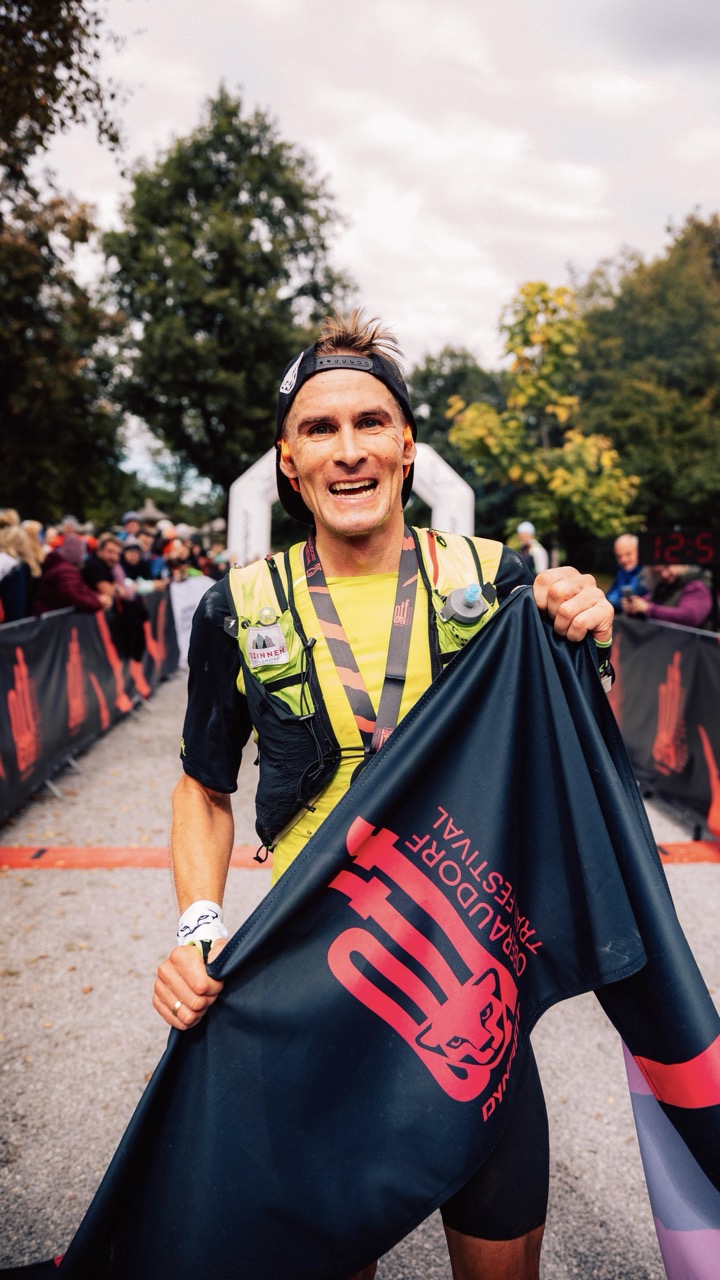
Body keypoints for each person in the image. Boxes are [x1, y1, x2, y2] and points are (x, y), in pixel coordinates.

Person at [153, 310, 613, 1280]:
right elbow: (203, 787)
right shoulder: (240, 606)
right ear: (288, 462)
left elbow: (580, 748)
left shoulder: (496, 580)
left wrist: (590, 631)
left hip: (467, 988)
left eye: (370, 422)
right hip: (311, 987)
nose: (349, 449)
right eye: (320, 429)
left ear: (407, 444)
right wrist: (197, 925)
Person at [622, 562, 715, 630]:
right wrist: (634, 607)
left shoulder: (696, 586)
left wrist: (649, 609)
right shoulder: (664, 586)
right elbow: (647, 603)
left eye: (667, 567)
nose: (664, 575)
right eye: (659, 572)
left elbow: (690, 617)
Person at [33, 533, 105, 615]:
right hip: (52, 618)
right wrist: (98, 602)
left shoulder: (61, 567)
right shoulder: (65, 571)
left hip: (53, 617)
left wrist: (96, 598)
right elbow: (73, 595)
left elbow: (80, 589)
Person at [605, 533, 647, 611]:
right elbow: (610, 595)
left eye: (628, 554)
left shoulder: (646, 573)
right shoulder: (621, 571)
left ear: (639, 552)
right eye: (619, 556)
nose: (623, 560)